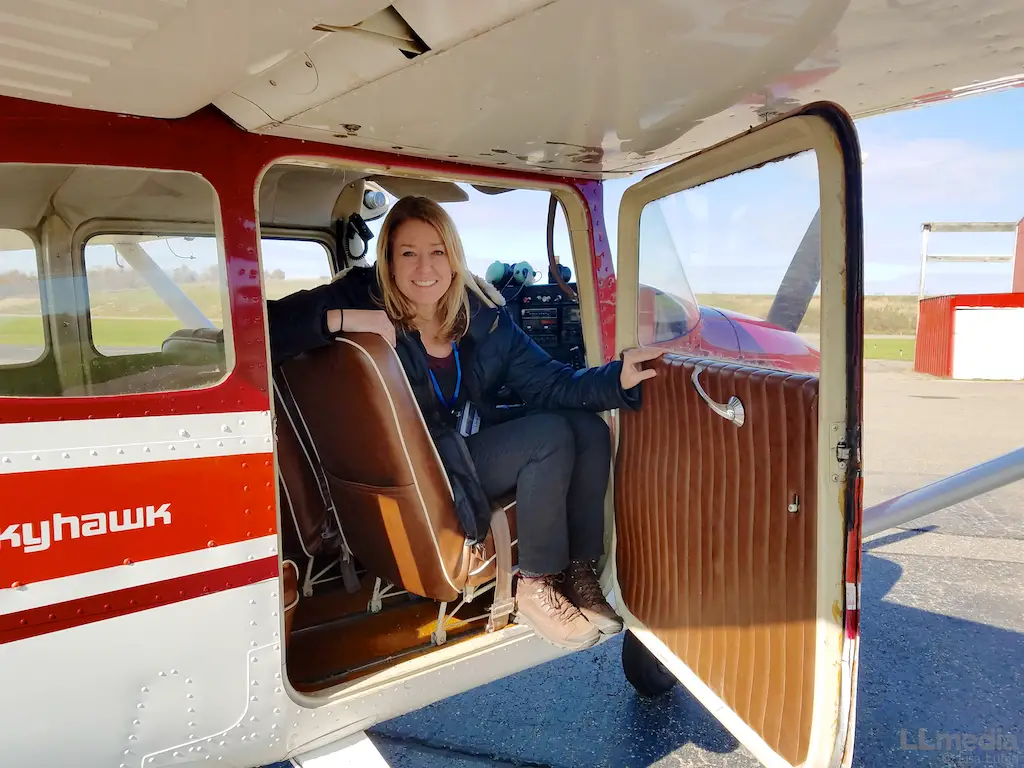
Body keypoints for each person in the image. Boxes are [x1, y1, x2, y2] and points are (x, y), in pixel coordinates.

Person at [267, 195, 664, 651]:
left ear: (454, 260)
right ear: (389, 261)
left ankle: (579, 570)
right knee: (549, 436)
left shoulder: (485, 322)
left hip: (465, 447)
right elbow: (267, 324)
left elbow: (552, 384)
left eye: (437, 252)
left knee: (589, 429)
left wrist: (619, 376)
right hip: (422, 467)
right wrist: (342, 318)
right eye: (408, 253)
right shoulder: (359, 294)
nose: (423, 268)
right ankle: (534, 586)